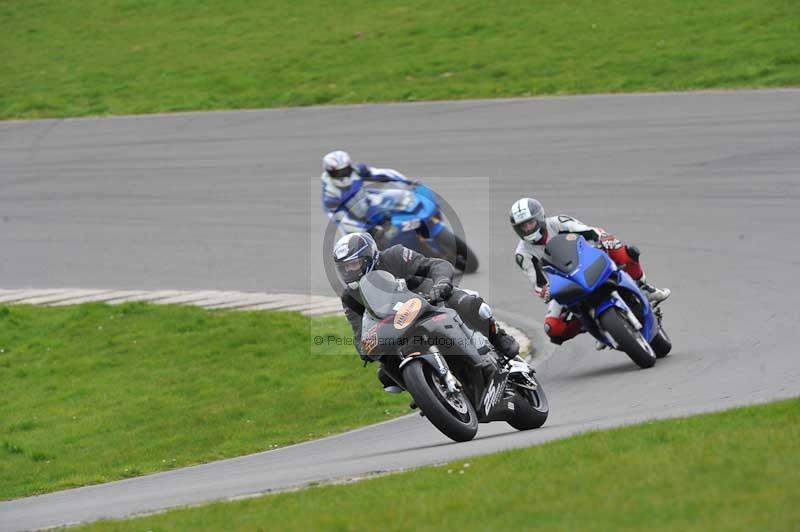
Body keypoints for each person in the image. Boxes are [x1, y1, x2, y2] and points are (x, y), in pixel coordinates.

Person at [332, 232, 519, 392]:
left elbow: (435, 265)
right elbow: (359, 333)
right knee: (386, 373)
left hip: (429, 298)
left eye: (354, 264)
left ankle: (498, 337)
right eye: (344, 268)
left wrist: (441, 283)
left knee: (470, 304)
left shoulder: (394, 256)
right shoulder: (350, 297)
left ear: (369, 257)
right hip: (398, 325)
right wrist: (365, 348)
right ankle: (427, 391)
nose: (349, 271)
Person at [509, 197, 670, 346]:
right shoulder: (522, 254)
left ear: (539, 217)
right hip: (564, 283)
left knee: (623, 251)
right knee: (553, 328)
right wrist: (545, 291)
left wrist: (602, 239)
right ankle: (595, 325)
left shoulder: (558, 222)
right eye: (522, 226)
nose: (527, 228)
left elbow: (588, 232)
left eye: (530, 223)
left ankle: (644, 287)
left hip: (586, 261)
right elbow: (538, 283)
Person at [321, 150, 415, 234]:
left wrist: (407, 182)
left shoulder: (356, 170)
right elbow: (341, 219)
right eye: (338, 173)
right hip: (356, 225)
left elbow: (382, 173)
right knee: (366, 248)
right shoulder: (330, 194)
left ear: (350, 167)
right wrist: (365, 229)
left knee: (402, 198)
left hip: (370, 205)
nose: (343, 175)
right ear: (330, 173)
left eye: (345, 170)